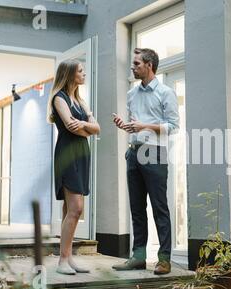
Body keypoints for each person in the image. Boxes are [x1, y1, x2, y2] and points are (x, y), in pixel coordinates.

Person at [112, 48, 180, 275]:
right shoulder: (132, 94)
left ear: (149, 65)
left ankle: (164, 260)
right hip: (134, 152)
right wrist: (127, 127)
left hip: (155, 153)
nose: (133, 67)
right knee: (137, 208)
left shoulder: (165, 92)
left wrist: (145, 126)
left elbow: (173, 126)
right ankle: (138, 257)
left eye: (137, 64)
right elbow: (135, 124)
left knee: (159, 207)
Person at [47, 59, 101, 275]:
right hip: (67, 154)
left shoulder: (79, 100)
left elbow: (96, 128)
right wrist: (88, 127)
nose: (84, 74)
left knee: (70, 209)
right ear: (69, 75)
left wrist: (87, 125)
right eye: (81, 71)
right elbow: (71, 126)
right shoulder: (59, 99)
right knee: (76, 208)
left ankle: (68, 258)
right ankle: (62, 260)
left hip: (81, 154)